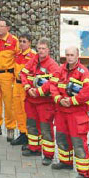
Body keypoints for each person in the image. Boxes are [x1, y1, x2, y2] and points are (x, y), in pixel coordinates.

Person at [50, 46, 89, 178]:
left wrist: (72, 101)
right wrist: (59, 99)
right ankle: (65, 162)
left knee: (79, 143)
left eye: (72, 55)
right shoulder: (60, 69)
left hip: (76, 113)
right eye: (67, 55)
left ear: (77, 55)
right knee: (62, 138)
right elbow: (53, 86)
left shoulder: (84, 72)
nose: (69, 57)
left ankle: (84, 172)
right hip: (62, 111)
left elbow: (87, 92)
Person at [20, 37, 59, 166]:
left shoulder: (52, 65)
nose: (41, 51)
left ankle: (48, 155)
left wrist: (38, 92)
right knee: (31, 125)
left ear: (48, 50)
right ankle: (34, 148)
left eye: (43, 49)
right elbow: (23, 73)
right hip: (31, 100)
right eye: (39, 48)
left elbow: (53, 83)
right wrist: (27, 87)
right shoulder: (34, 60)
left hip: (44, 102)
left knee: (45, 128)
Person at [0, 19, 19, 141]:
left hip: (7, 76)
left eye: (1, 26)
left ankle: (10, 128)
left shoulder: (14, 41)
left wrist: (15, 76)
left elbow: (17, 58)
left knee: (9, 103)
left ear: (8, 28)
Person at [11, 33, 36, 146]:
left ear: (30, 42)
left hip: (26, 87)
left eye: (24, 41)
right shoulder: (18, 54)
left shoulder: (33, 56)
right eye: (20, 41)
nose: (21, 43)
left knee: (27, 112)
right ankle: (22, 133)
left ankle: (28, 135)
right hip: (17, 85)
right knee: (18, 111)